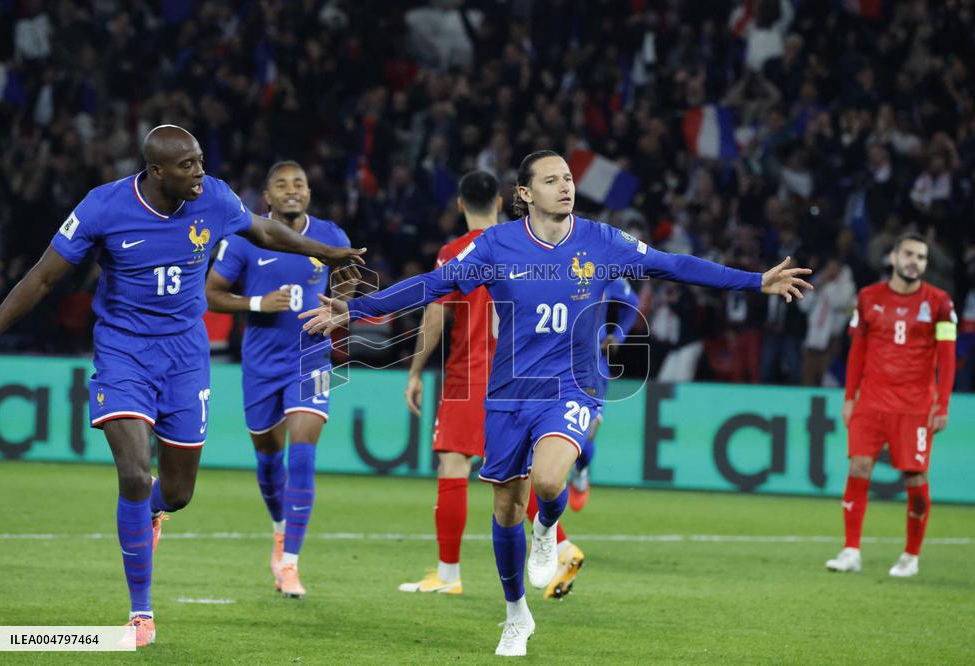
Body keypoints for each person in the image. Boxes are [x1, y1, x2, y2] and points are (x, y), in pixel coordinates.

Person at [301, 150, 810, 657]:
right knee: (504, 509)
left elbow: (671, 265)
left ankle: (547, 527)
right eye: (551, 180)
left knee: (547, 480)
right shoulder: (494, 245)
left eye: (568, 178)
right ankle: (516, 614)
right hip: (508, 393)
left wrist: (754, 280)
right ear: (524, 194)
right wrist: (354, 309)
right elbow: (432, 287)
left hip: (573, 385)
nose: (565, 186)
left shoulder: (601, 240)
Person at [0, 126, 364, 647]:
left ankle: (155, 511)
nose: (199, 173)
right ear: (157, 171)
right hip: (124, 354)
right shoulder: (102, 208)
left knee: (176, 494)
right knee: (134, 475)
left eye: (201, 161)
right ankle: (140, 613)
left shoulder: (215, 198)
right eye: (187, 166)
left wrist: (327, 252)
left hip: (186, 357)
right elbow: (43, 279)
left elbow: (264, 232)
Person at [397, 170, 583, 600]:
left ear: (460, 205)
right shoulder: (525, 245)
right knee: (517, 475)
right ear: (500, 204)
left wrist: (413, 370)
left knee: (454, 466)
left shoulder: (455, 252)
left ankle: (448, 573)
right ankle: (561, 545)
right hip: (523, 374)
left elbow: (437, 314)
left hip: (471, 375)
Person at [206, 160, 354, 598]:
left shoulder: (331, 237)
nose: (293, 190)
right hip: (261, 365)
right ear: (266, 197)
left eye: (300, 183)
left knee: (303, 452)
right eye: (282, 185)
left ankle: (290, 563)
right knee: (270, 461)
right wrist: (256, 304)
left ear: (308, 192)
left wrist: (337, 308)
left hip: (313, 360)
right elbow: (211, 295)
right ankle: (279, 529)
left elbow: (345, 286)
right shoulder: (243, 239)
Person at [825, 232, 956, 578]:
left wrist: (941, 405)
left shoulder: (940, 303)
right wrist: (849, 398)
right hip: (871, 401)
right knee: (858, 469)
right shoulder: (868, 298)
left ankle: (911, 556)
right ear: (894, 258)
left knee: (916, 480)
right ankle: (851, 550)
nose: (915, 262)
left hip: (914, 406)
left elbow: (948, 358)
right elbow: (857, 353)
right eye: (909, 254)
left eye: (922, 257)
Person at [569, 277, 640, 511]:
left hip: (592, 367)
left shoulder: (604, 269)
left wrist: (617, 336)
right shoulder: (549, 266)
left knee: (587, 433)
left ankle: (581, 469)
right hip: (552, 363)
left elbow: (632, 302)